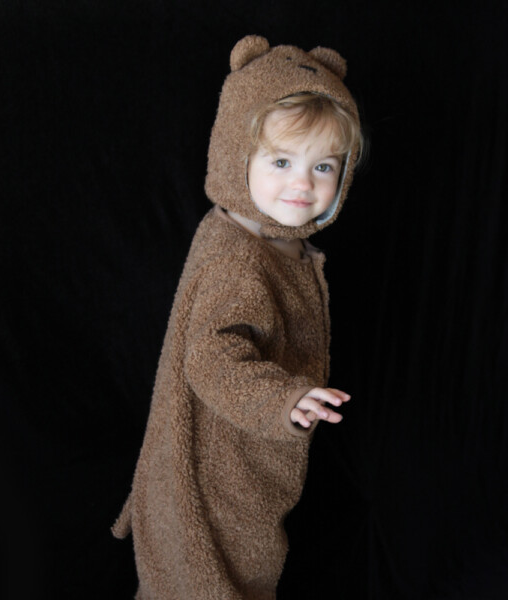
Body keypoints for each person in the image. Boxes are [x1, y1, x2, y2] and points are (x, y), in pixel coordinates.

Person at [112, 35, 364, 599]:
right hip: (212, 482)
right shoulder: (239, 261)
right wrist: (283, 399)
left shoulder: (256, 230)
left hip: (243, 468)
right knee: (214, 583)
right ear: (234, 155)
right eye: (281, 161)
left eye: (323, 165)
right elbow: (212, 356)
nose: (302, 184)